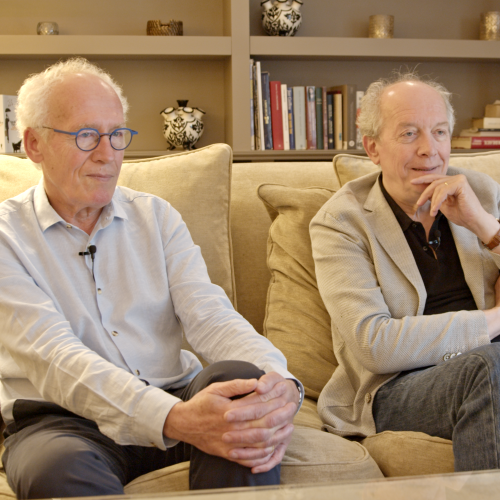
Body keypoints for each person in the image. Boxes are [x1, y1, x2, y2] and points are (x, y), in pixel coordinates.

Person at [0, 58, 302, 499]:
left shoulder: (156, 217)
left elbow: (210, 316)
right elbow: (53, 357)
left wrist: (281, 382)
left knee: (243, 382)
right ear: (34, 144)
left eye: (117, 135)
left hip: (177, 394)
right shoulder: (6, 236)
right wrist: (174, 420)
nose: (107, 155)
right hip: (63, 422)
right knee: (55, 468)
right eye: (86, 136)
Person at [310, 71, 500, 471]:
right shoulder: (341, 222)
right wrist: (494, 321)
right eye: (410, 134)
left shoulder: (480, 193)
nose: (430, 150)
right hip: (399, 387)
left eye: (440, 132)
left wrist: (484, 226)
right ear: (373, 148)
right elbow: (375, 344)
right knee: (488, 367)